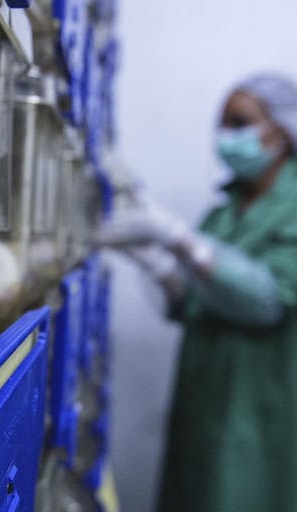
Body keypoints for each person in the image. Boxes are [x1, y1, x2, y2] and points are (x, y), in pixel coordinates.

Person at [95, 73, 297, 512]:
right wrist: (155, 262)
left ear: (283, 128)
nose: (227, 136)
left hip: (261, 417)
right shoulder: (222, 214)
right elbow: (187, 304)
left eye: (240, 121)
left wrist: (178, 238)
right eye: (223, 123)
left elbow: (267, 302)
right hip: (205, 408)